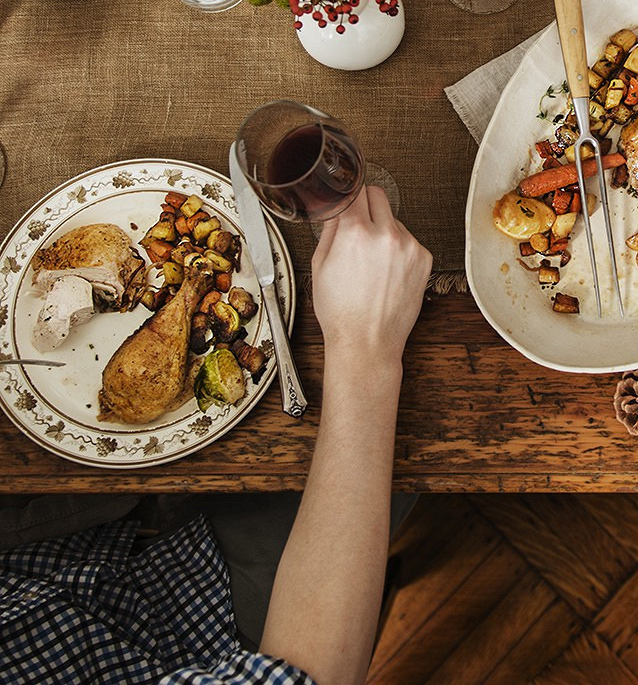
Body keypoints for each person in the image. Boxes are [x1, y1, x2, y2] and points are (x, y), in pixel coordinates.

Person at [0, 185, 432, 685]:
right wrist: (365, 347)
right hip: (207, 625)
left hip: (48, 553)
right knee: (415, 444)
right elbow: (308, 676)